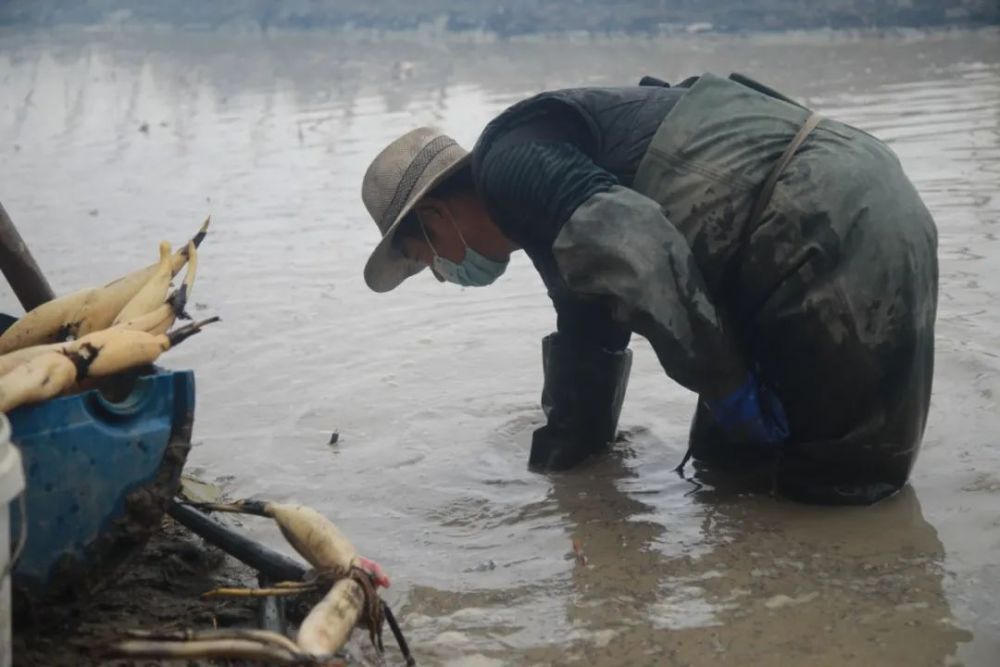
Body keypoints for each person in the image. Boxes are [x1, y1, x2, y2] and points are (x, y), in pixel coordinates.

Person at [359, 72, 938, 505]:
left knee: (836, 494)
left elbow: (642, 253)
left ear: (435, 216)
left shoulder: (511, 163)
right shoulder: (546, 207)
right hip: (806, 227)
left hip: (833, 223)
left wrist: (729, 388)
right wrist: (555, 481)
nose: (441, 274)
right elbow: (589, 341)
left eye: (421, 257)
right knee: (723, 471)